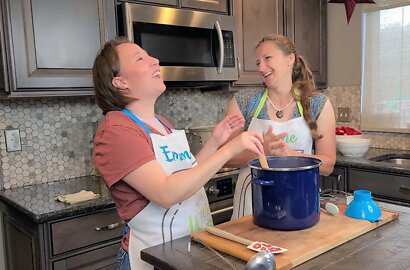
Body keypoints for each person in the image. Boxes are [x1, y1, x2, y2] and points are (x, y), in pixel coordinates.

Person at [91, 37, 264, 270]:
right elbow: (166, 193)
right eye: (140, 58)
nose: (155, 61)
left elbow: (185, 175)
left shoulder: (160, 123)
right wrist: (230, 149)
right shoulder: (116, 131)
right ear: (120, 82)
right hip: (152, 258)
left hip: (184, 250)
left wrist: (215, 142)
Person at [226, 34, 337, 219]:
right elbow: (226, 158)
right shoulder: (244, 101)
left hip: (298, 206)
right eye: (258, 62)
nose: (261, 68)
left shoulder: (318, 104)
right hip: (251, 208)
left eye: (267, 58)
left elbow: (328, 165)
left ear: (290, 58)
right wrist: (262, 151)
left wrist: (291, 155)